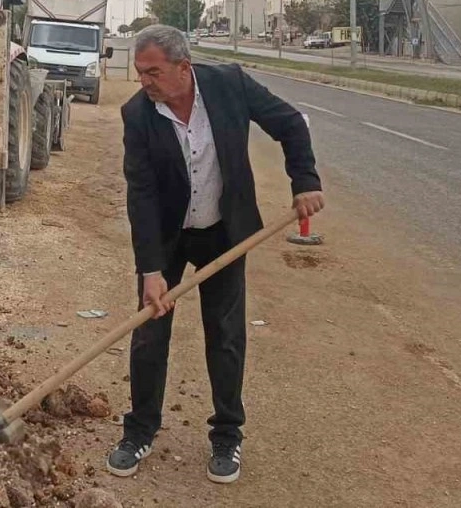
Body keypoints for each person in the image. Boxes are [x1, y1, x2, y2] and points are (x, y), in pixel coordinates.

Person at [107, 24, 325, 485]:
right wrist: (150, 269)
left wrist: (304, 181)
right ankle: (140, 430)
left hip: (224, 231)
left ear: (183, 68)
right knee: (149, 331)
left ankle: (227, 436)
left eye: (153, 73)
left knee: (225, 334)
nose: (144, 82)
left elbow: (290, 123)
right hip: (167, 236)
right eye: (139, 72)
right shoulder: (139, 115)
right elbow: (140, 195)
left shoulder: (229, 85)